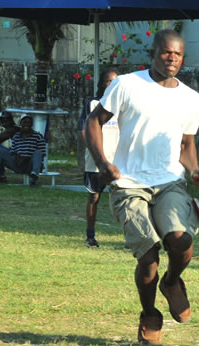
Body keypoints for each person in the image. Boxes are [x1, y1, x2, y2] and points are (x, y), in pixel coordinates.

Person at [84, 29, 199, 345]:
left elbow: (187, 144)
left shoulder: (191, 98)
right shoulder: (126, 84)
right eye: (166, 52)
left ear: (183, 58)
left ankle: (172, 281)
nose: (172, 58)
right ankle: (150, 313)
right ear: (153, 53)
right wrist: (103, 164)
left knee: (181, 242)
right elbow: (93, 122)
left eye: (178, 54)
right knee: (149, 255)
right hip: (128, 184)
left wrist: (194, 170)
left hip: (169, 182)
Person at [80, 68, 120, 248]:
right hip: (97, 162)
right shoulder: (92, 104)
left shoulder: (123, 105)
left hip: (118, 162)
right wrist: (97, 155)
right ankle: (90, 236)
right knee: (94, 198)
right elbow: (84, 131)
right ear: (102, 84)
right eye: (108, 81)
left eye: (115, 81)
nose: (112, 85)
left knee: (126, 199)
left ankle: (132, 237)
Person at [0, 114, 46, 186]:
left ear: (32, 124)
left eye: (29, 122)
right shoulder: (16, 136)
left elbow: (42, 154)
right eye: (24, 122)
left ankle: (34, 177)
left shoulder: (38, 136)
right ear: (21, 123)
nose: (26, 124)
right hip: (18, 164)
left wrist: (27, 158)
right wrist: (17, 157)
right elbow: (13, 151)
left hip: (30, 165)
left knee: (38, 152)